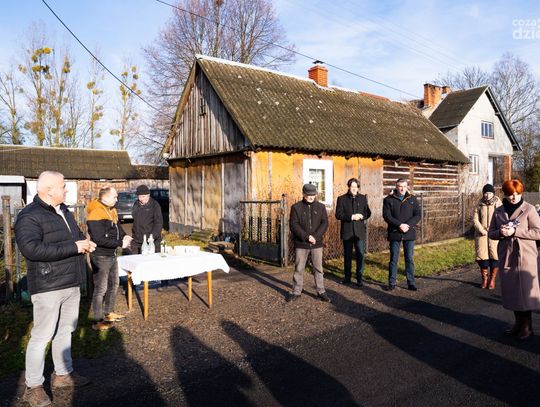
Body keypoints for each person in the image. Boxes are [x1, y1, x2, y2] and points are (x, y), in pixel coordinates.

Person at [14, 171, 95, 407]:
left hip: (71, 281)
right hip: (48, 285)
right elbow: (32, 249)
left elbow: (75, 237)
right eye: (62, 186)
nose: (66, 189)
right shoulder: (29, 216)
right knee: (42, 336)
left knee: (65, 331)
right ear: (49, 190)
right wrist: (74, 247)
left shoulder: (64, 211)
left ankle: (63, 375)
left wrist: (85, 243)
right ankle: (33, 387)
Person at [488, 179, 540, 340]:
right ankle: (517, 324)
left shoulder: (529, 209)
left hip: (525, 257)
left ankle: (527, 327)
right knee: (512, 292)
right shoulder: (498, 211)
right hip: (507, 256)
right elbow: (491, 233)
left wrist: (515, 231)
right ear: (505, 194)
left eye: (517, 194)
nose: (514, 197)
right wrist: (501, 232)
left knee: (525, 292)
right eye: (510, 194)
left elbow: (538, 232)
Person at [87, 187, 132, 331]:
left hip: (112, 254)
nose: (117, 200)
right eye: (115, 197)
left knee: (114, 284)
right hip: (101, 255)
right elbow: (98, 239)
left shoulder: (112, 210)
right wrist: (120, 243)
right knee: (101, 288)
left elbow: (118, 228)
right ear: (105, 197)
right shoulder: (96, 213)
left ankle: (108, 313)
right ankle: (97, 320)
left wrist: (125, 236)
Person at [286, 183, 330, 302]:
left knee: (318, 268)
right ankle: (296, 291)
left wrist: (315, 236)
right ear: (303, 194)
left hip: (317, 243)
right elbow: (293, 225)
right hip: (301, 243)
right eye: (308, 194)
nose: (311, 197)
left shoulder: (321, 207)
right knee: (299, 268)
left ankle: (321, 291)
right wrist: (306, 237)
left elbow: (325, 223)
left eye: (313, 194)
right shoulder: (296, 207)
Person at [382, 178, 421, 291]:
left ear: (407, 186)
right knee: (394, 259)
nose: (402, 189)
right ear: (396, 187)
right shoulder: (388, 200)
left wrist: (407, 225)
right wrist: (399, 225)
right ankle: (392, 282)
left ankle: (411, 282)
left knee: (409, 258)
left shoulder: (412, 199)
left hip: (409, 232)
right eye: (400, 186)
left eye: (404, 186)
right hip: (395, 232)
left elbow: (418, 215)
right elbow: (387, 216)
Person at [335, 178, 371, 287]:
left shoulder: (363, 198)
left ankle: (359, 278)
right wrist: (351, 217)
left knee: (360, 255)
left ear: (358, 188)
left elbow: (368, 212)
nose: (354, 189)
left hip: (359, 232)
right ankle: (347, 277)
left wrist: (362, 216)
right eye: (352, 187)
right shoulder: (341, 199)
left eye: (356, 187)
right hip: (347, 231)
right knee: (347, 256)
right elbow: (338, 214)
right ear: (349, 187)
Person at [473, 184, 502, 289]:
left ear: (493, 194)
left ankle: (492, 279)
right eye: (485, 193)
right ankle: (484, 279)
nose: (487, 195)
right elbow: (475, 220)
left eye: (489, 193)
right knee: (482, 258)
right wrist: (482, 230)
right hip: (482, 235)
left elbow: (502, 218)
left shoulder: (499, 204)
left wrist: (495, 229)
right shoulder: (479, 204)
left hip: (495, 234)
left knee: (495, 257)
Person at [131, 185, 163, 254]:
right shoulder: (136, 204)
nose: (141, 199)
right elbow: (135, 220)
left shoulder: (155, 205)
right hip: (137, 240)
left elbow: (158, 223)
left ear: (148, 195)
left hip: (151, 240)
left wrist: (152, 236)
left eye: (144, 196)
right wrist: (134, 235)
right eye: (140, 196)